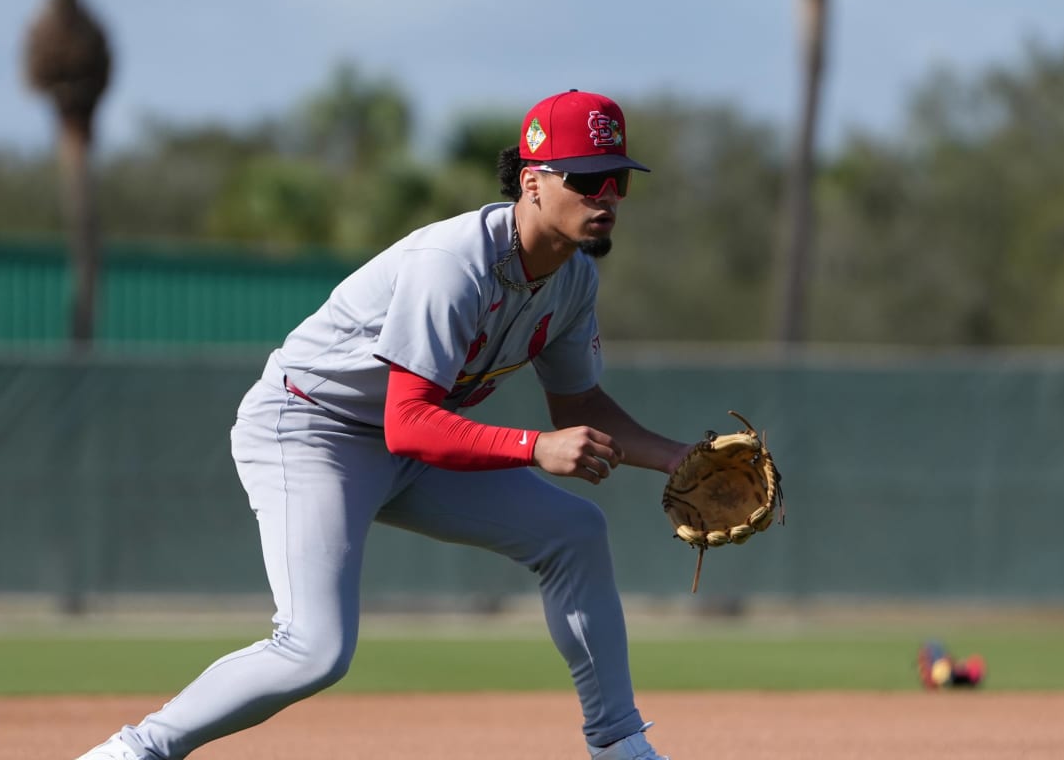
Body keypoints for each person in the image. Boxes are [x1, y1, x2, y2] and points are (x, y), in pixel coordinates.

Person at [75, 89, 690, 760]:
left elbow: (580, 409)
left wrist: (678, 458)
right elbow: (408, 424)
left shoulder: (573, 282)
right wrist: (533, 447)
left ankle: (620, 746)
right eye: (588, 177)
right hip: (312, 428)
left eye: (619, 178)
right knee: (314, 649)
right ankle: (134, 751)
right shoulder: (454, 264)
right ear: (533, 181)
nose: (607, 195)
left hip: (412, 437)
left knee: (575, 532)